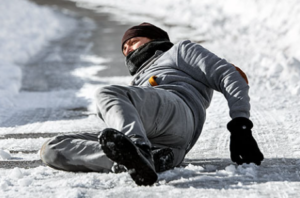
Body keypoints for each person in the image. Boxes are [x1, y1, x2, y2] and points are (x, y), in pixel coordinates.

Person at [40, 22, 264, 186]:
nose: (127, 49)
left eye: (133, 41)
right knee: (52, 148)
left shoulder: (179, 52)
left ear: (154, 39)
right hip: (170, 145)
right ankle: (139, 161)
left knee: (107, 93)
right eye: (124, 48)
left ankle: (138, 148)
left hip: (178, 110)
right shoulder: (137, 80)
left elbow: (230, 75)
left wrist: (240, 125)